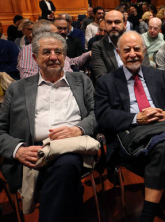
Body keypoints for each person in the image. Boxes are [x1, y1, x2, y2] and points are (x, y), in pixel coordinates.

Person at [95, 31, 165, 222]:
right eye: (127, 50)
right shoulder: (106, 82)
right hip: (130, 134)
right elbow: (103, 116)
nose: (132, 54)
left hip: (162, 126)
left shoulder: (157, 75)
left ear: (145, 50)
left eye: (137, 49)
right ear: (118, 52)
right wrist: (135, 118)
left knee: (163, 147)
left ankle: (147, 215)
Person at [0, 31, 97, 222]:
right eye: (46, 52)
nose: (53, 57)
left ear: (65, 56)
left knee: (66, 165)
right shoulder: (18, 88)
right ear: (35, 58)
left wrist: (79, 129)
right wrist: (18, 150)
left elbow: (96, 114)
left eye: (58, 52)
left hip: (70, 148)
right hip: (31, 154)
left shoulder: (82, 81)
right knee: (68, 181)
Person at [17, 20, 91, 79]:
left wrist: (89, 54)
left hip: (70, 83)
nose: (59, 36)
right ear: (43, 35)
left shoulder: (56, 48)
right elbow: (28, 79)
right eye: (55, 34)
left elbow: (71, 63)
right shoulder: (28, 50)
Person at [91, 10, 149, 81]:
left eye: (117, 22)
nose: (113, 26)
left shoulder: (137, 40)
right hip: (113, 88)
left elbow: (146, 70)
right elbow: (102, 77)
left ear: (125, 24)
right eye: (109, 22)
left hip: (138, 83)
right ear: (105, 25)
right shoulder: (98, 46)